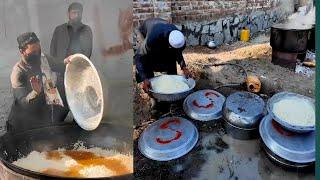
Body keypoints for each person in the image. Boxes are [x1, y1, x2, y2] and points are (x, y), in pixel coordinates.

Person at [7, 32, 73, 132]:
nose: (37, 54)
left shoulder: (44, 59)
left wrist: (66, 61)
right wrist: (35, 92)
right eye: (33, 52)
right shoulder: (18, 72)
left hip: (42, 113)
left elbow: (59, 66)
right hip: (23, 122)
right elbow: (22, 103)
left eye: (39, 50)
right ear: (22, 51)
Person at [50, 2, 92, 120]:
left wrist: (77, 64)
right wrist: (57, 65)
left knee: (79, 108)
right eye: (74, 13)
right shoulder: (59, 30)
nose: (77, 15)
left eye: (79, 13)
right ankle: (56, 130)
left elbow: (88, 52)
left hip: (78, 74)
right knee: (59, 110)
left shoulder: (86, 30)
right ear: (69, 14)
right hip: (60, 74)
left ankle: (79, 130)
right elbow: (52, 51)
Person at [134, 18, 192, 93]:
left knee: (170, 57)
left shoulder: (177, 36)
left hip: (162, 29)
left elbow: (177, 52)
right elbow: (139, 57)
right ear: (169, 44)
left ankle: (172, 86)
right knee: (147, 60)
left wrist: (184, 67)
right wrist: (144, 78)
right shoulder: (152, 39)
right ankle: (149, 89)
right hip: (146, 30)